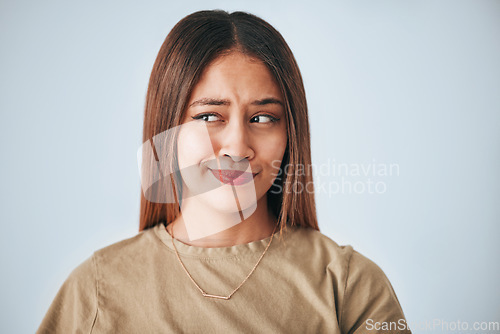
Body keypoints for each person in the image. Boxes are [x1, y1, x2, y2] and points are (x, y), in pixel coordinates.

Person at [37, 10, 411, 333]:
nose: (236, 147)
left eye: (263, 117)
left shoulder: (350, 287)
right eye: (209, 117)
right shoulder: (96, 289)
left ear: (290, 133)